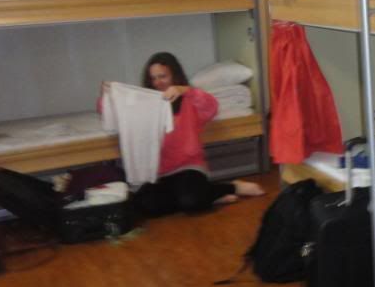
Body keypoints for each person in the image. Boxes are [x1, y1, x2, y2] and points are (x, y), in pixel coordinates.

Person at [103, 52, 263, 216]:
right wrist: (109, 95)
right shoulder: (146, 104)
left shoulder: (189, 101)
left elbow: (211, 107)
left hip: (188, 167)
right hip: (158, 173)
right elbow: (116, 113)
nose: (158, 82)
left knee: (190, 201)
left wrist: (185, 90)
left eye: (163, 76)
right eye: (153, 78)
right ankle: (209, 196)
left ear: (175, 75)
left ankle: (233, 187)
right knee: (146, 206)